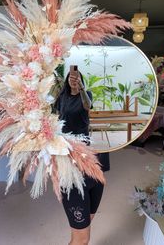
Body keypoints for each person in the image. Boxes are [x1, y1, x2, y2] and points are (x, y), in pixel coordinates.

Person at [54, 69, 110, 245]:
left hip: (91, 158)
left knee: (87, 221)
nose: (73, 80)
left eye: (76, 78)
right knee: (82, 239)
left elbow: (87, 105)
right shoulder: (61, 98)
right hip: (71, 161)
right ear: (66, 80)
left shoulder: (87, 95)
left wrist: (82, 89)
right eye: (71, 77)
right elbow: (52, 119)